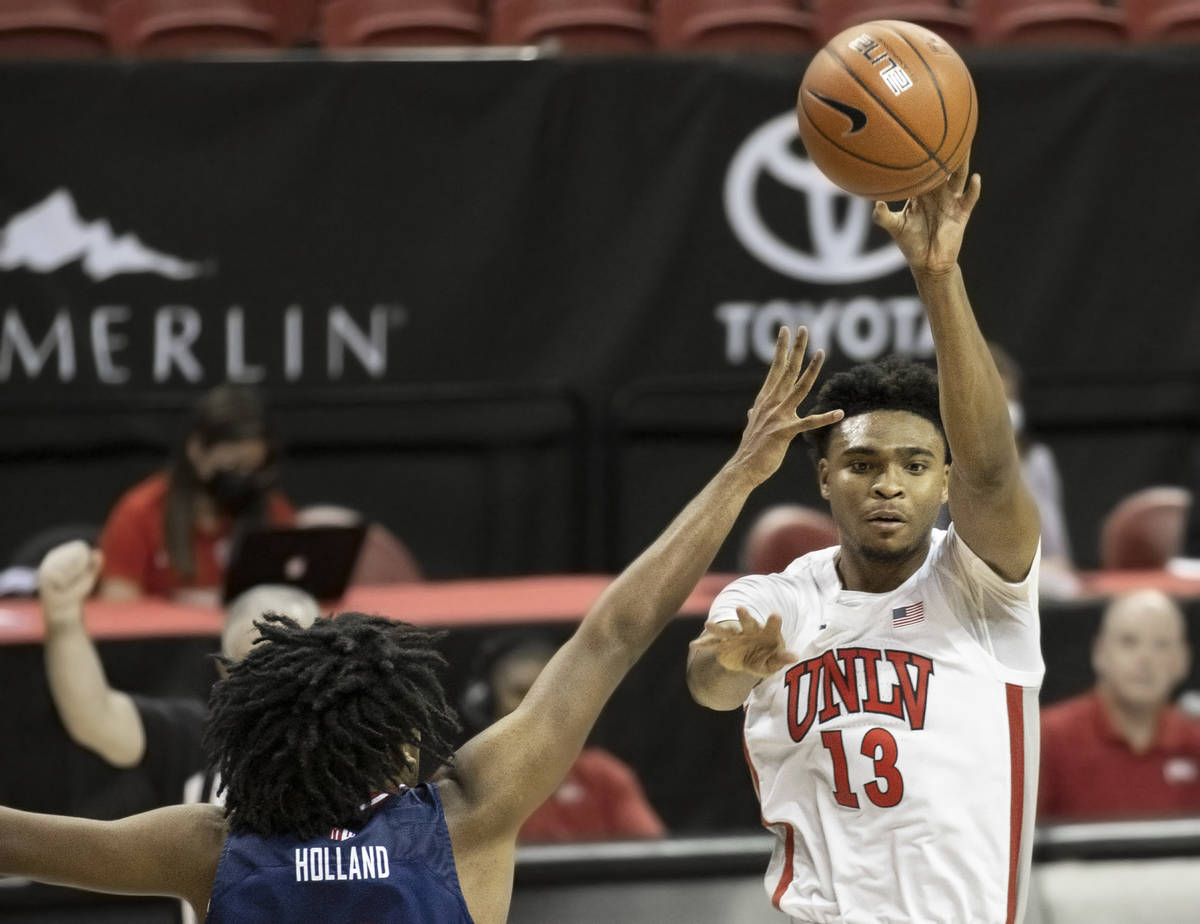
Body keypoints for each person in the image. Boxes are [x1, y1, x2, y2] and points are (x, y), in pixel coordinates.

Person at [0, 325, 842, 923]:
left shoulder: (208, 845)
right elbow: (614, 632)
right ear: (398, 741)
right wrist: (740, 473)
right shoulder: (466, 816)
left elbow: (14, 840)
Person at [686, 160, 1045, 924]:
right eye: (862, 464)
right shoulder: (780, 595)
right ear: (824, 477)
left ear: (943, 482)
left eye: (914, 466)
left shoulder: (986, 590)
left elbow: (990, 474)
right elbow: (707, 684)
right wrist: (730, 664)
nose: (888, 485)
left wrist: (938, 277)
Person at [38, 539, 320, 803]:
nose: (275, 679)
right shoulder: (194, 737)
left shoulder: (342, 745)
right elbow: (95, 717)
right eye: (255, 665)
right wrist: (64, 619)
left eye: (294, 660)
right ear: (224, 669)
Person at [98, 384, 295, 603]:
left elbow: (297, 598)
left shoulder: (273, 511)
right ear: (197, 450)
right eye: (234, 467)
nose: (244, 479)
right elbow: (119, 606)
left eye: (254, 469)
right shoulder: (140, 512)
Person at [464, 631, 666, 843]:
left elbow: (654, 854)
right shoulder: (466, 786)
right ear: (487, 704)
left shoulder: (604, 777)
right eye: (521, 693)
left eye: (547, 692)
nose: (535, 706)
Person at [1039, 589, 1200, 821]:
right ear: (1100, 652)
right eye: (1129, 642)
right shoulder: (1047, 738)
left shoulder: (1194, 741)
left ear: (1183, 660)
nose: (1145, 659)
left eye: (1162, 645)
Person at [988, 341, 1079, 598]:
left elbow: (1056, 543)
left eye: (1010, 399)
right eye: (996, 402)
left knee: (1065, 588)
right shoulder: (950, 465)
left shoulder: (1037, 460)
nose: (1006, 409)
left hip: (1037, 570)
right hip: (979, 575)